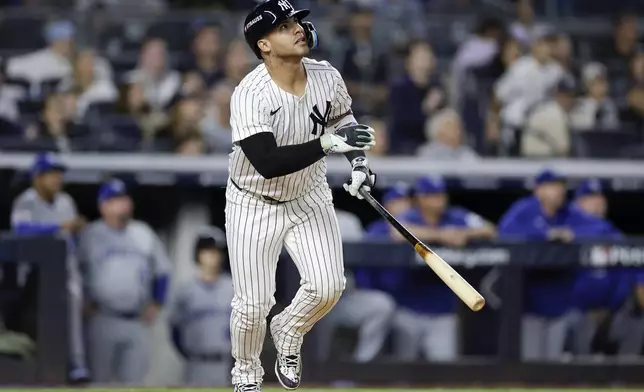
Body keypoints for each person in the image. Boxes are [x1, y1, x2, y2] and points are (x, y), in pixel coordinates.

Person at [228, 1, 377, 390]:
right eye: (284, 26)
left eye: (297, 21)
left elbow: (344, 121)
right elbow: (267, 162)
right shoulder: (250, 94)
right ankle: (246, 375)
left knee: (329, 286)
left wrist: (359, 165)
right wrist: (329, 143)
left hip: (308, 194)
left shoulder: (326, 75)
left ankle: (289, 331)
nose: (297, 28)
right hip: (254, 200)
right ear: (263, 44)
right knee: (253, 306)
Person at [371, 176, 496, 362]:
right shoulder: (411, 216)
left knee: (445, 374)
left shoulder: (456, 216)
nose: (438, 200)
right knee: (404, 373)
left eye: (440, 194)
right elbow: (395, 232)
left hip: (443, 312)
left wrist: (464, 234)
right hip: (408, 309)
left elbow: (490, 229)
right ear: (420, 198)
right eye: (431, 195)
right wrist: (442, 236)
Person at [498, 169, 611, 360]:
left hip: (560, 304)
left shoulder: (568, 212)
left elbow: (601, 228)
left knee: (553, 370)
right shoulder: (525, 209)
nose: (559, 191)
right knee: (530, 367)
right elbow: (504, 231)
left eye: (561, 186)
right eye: (553, 186)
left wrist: (572, 235)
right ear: (538, 190)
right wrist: (545, 236)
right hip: (529, 304)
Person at [78, 179, 171, 384]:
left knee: (134, 384)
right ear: (103, 206)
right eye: (115, 199)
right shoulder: (90, 235)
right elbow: (75, 272)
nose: (123, 203)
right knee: (98, 383)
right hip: (102, 318)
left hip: (136, 320)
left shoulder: (143, 233)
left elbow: (163, 271)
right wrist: (82, 300)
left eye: (124, 198)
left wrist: (157, 303)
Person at [10, 152, 88, 382]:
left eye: (58, 174)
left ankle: (76, 363)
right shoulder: (26, 201)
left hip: (64, 268)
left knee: (72, 310)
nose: (57, 179)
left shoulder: (66, 202)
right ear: (37, 177)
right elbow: (21, 232)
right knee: (32, 322)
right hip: (33, 273)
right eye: (51, 174)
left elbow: (71, 238)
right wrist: (60, 227)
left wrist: (72, 230)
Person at [169, 228, 234, 386]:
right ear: (198, 254)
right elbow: (174, 329)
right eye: (208, 251)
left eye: (217, 252)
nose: (213, 256)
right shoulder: (185, 290)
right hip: (194, 362)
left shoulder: (233, 288)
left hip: (225, 363)